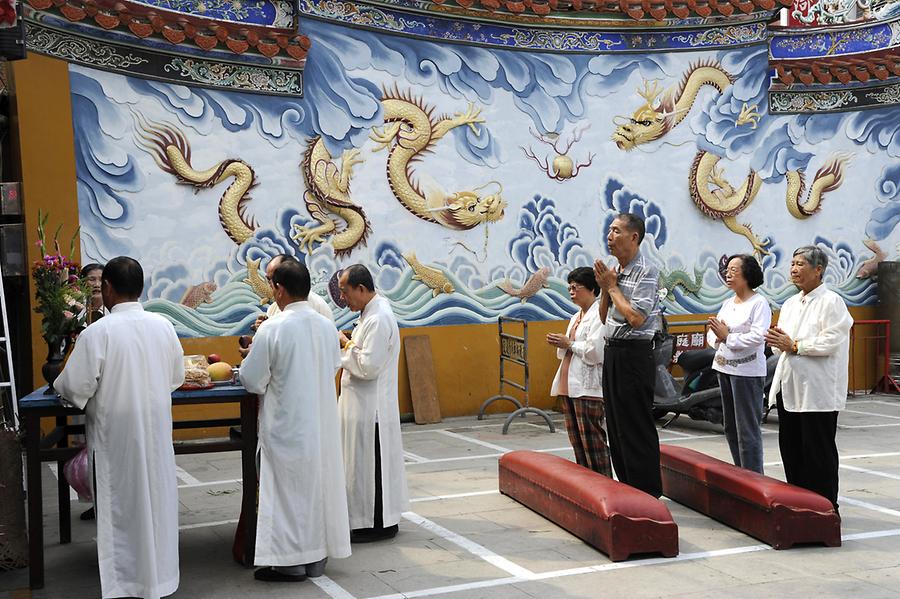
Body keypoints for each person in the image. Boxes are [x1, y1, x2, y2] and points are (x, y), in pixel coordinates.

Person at [54, 256, 184, 599]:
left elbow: (73, 387)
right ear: (140, 289)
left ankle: (128, 584)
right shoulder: (164, 326)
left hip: (116, 439)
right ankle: (160, 580)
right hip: (155, 435)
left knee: (123, 509)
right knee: (155, 505)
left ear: (108, 288)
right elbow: (176, 378)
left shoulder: (98, 333)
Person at [239, 259, 351, 582]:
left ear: (279, 289)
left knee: (287, 493)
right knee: (316, 489)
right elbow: (333, 366)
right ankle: (316, 559)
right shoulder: (326, 326)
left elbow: (252, 380)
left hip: (287, 424)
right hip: (320, 423)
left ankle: (290, 563)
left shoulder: (272, 328)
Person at [765, 246, 853, 510]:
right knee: (791, 449)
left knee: (818, 452)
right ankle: (799, 504)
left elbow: (831, 341)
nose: (794, 269)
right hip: (790, 386)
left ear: (818, 270)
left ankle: (825, 508)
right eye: (792, 263)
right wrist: (777, 342)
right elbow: (782, 343)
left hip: (818, 390)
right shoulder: (791, 303)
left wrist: (795, 345)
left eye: (800, 264)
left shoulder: (831, 301)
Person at [337, 264, 408, 542]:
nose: (342, 298)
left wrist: (344, 343)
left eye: (345, 292)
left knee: (370, 468)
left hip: (371, 409)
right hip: (361, 406)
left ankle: (375, 524)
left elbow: (368, 366)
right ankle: (368, 519)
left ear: (362, 289)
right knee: (361, 467)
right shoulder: (370, 314)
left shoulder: (378, 319)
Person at [594, 213, 662, 497]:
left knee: (636, 424)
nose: (610, 236)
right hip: (614, 353)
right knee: (616, 423)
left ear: (634, 237)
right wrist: (606, 287)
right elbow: (602, 317)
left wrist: (611, 286)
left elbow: (636, 318)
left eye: (616, 230)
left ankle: (647, 492)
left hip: (635, 355)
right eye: (609, 229)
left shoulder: (647, 270)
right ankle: (627, 489)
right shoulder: (615, 271)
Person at [706, 254, 771, 474]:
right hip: (724, 368)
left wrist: (727, 337)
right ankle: (741, 474)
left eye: (734, 270)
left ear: (748, 274)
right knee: (731, 427)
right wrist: (718, 336)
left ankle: (754, 478)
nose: (728, 273)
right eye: (727, 269)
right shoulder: (727, 303)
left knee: (747, 430)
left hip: (747, 372)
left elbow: (758, 336)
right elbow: (713, 332)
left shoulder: (759, 303)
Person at [547, 267, 611, 477]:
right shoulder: (576, 316)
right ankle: (586, 485)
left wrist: (569, 343)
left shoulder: (599, 315)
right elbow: (566, 350)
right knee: (577, 442)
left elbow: (595, 352)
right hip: (570, 387)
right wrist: (563, 343)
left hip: (587, 388)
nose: (571, 291)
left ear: (592, 289)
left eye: (576, 287)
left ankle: (603, 484)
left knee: (593, 442)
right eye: (570, 287)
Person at [239, 253, 333, 357]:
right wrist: (262, 329)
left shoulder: (316, 305)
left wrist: (255, 353)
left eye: (273, 278)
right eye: (268, 279)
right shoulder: (273, 308)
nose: (271, 284)